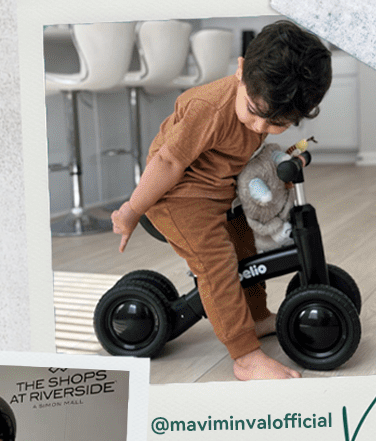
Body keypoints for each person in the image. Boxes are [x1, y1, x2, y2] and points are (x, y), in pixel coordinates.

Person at [111, 19, 332, 382]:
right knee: (217, 263)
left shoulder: (259, 107)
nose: (260, 128)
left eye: (277, 123)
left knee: (246, 247)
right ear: (241, 70)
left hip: (219, 193)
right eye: (255, 112)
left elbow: (244, 154)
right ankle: (244, 355)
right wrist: (132, 210)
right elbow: (167, 162)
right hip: (176, 195)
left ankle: (257, 316)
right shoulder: (209, 109)